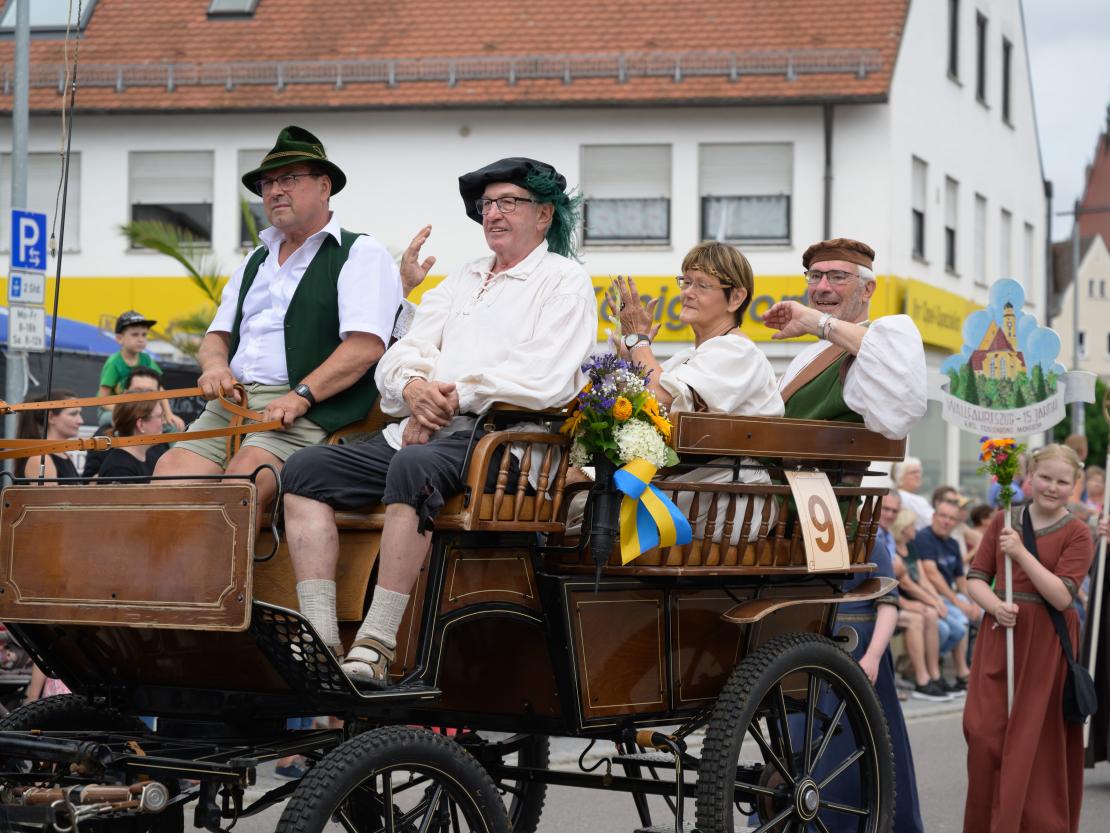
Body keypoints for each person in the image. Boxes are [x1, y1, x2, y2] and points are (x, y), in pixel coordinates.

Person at [282, 156, 597, 687]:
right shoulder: (465, 277)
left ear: (544, 215)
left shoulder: (565, 281)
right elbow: (403, 353)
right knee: (303, 472)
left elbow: (544, 376)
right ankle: (321, 638)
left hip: (506, 443)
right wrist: (412, 389)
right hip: (428, 430)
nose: (493, 213)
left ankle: (377, 645)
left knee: (413, 465)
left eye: (508, 203)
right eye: (487, 204)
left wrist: (443, 399)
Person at [153, 126, 408, 514]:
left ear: (324, 187)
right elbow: (216, 337)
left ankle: (224, 576)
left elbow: (366, 346)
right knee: (168, 477)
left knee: (240, 487)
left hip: (305, 405)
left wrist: (301, 395)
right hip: (231, 401)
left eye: (289, 178)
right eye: (267, 182)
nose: (274, 190)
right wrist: (215, 367)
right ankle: (175, 576)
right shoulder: (255, 260)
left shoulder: (361, 253)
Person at [606, 241, 783, 542]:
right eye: (685, 281)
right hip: (694, 487)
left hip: (725, 497)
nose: (687, 292)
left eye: (702, 284)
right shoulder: (692, 355)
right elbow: (648, 400)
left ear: (736, 297)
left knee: (580, 512)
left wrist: (639, 342)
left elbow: (664, 398)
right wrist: (629, 354)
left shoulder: (737, 351)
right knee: (579, 502)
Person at [963, 444, 1094, 833]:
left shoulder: (1078, 533)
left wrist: (1020, 553)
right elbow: (975, 578)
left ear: (1074, 485)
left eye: (1062, 481)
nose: (1052, 487)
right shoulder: (1004, 518)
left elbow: (1061, 595)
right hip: (1000, 635)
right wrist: (993, 605)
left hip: (1045, 647)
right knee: (984, 736)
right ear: (1029, 477)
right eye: (1045, 477)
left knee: (1031, 748)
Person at [823, 489, 925, 832]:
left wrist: (874, 656)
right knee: (817, 745)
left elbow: (888, 604)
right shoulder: (806, 540)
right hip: (817, 653)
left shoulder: (870, 540)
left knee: (867, 740)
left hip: (860, 648)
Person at [763, 237, 926, 440]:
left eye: (837, 277)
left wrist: (818, 322)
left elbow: (901, 414)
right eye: (815, 276)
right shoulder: (809, 353)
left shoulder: (885, 339)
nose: (822, 287)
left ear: (867, 290)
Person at [910, 497, 981, 692]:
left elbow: (960, 579)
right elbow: (931, 575)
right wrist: (959, 603)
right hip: (932, 596)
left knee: (985, 613)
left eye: (951, 518)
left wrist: (973, 602)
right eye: (942, 516)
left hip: (949, 595)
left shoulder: (951, 544)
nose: (946, 521)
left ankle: (975, 671)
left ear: (956, 522)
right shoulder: (924, 537)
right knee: (960, 621)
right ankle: (961, 672)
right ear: (933, 516)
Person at [892, 507, 962, 697]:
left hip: (919, 598)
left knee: (949, 621)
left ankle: (933, 675)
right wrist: (933, 602)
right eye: (912, 525)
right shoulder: (895, 551)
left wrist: (936, 600)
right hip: (905, 600)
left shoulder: (911, 547)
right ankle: (922, 677)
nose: (915, 528)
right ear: (904, 527)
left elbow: (922, 580)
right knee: (935, 619)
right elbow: (907, 585)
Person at [96, 310, 183, 429]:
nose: (141, 339)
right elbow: (102, 399)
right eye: (135, 335)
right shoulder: (114, 363)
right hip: (112, 410)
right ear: (119, 338)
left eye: (144, 335)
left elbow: (159, 389)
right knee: (125, 422)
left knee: (172, 426)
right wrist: (128, 411)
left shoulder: (146, 359)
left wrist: (168, 413)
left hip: (140, 410)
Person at [83, 367, 170, 479]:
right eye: (137, 391)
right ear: (125, 392)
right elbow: (87, 485)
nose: (143, 399)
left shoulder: (160, 440)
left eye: (150, 393)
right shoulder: (103, 439)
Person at [15, 391, 82, 482]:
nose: (80, 421)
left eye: (79, 414)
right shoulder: (41, 460)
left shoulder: (64, 455)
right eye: (73, 414)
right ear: (51, 417)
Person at [95, 400, 166, 484]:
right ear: (141, 424)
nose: (164, 422)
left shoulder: (151, 457)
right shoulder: (119, 469)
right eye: (159, 416)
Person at [892, 457, 933, 530]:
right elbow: (932, 522)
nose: (918, 476)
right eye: (913, 472)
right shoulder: (905, 497)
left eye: (919, 472)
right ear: (900, 476)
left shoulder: (897, 495)